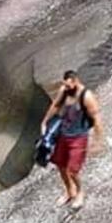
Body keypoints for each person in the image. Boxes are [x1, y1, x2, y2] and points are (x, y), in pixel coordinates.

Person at [40, 70, 105, 209]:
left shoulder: (86, 96)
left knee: (72, 170)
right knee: (60, 165)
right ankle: (70, 191)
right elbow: (56, 105)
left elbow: (96, 117)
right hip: (64, 134)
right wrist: (45, 121)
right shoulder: (64, 90)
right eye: (65, 85)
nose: (67, 88)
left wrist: (97, 140)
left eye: (69, 86)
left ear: (76, 81)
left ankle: (80, 192)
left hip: (78, 137)